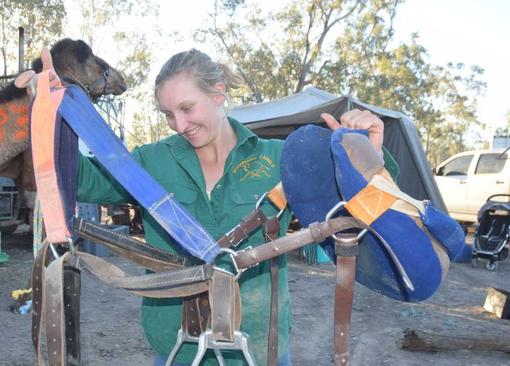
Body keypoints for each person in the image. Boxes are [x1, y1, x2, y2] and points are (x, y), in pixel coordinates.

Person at [20, 48, 388, 365]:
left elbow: (362, 202)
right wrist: (40, 112)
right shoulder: (151, 161)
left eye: (186, 108)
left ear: (218, 94)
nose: (178, 124)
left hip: (261, 344)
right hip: (177, 344)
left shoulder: (280, 159)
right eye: (167, 114)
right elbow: (76, 176)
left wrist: (369, 149)